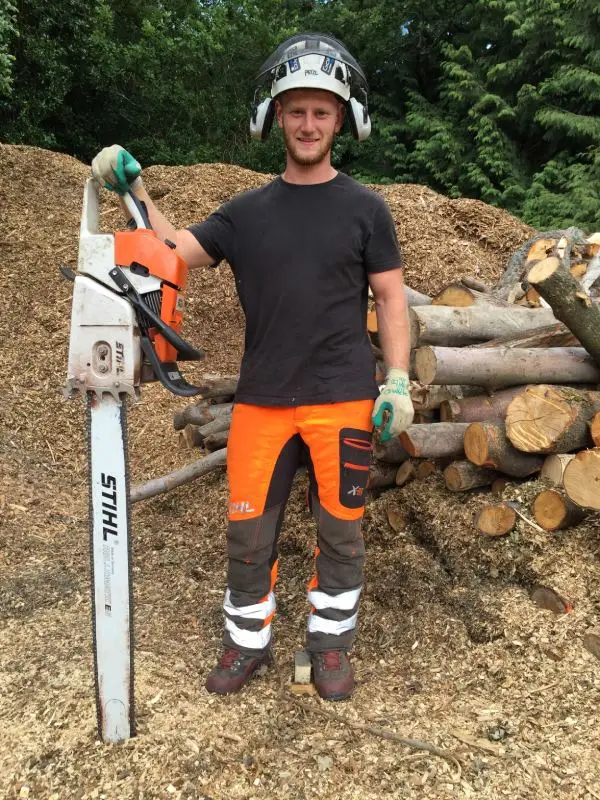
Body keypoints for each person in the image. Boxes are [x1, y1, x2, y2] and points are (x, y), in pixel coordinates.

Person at [91, 32, 413, 701]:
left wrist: (399, 381)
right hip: (264, 400)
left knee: (342, 532)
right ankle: (247, 642)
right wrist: (135, 186)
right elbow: (171, 250)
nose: (308, 123)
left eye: (322, 111)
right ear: (274, 117)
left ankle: (330, 648)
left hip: (343, 397)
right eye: (296, 109)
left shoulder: (366, 209)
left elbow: (389, 296)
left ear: (343, 119)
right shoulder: (246, 212)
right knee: (248, 533)